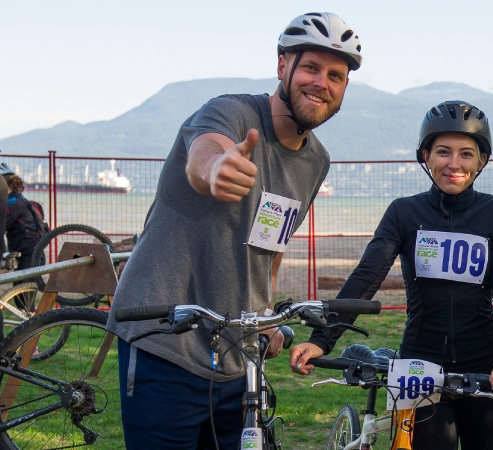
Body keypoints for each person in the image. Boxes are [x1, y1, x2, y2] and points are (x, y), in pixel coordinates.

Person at [105, 12, 362, 449]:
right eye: (311, 68)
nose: (322, 82)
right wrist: (218, 167)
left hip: (237, 358)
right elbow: (205, 150)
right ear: (283, 67)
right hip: (165, 345)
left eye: (335, 75)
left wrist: (264, 317)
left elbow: (272, 243)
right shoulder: (231, 112)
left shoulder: (316, 161)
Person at [290, 100, 493, 449]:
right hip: (419, 363)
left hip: (485, 364)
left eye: (466, 154)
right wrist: (321, 339)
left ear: (482, 161)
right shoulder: (404, 212)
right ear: (426, 156)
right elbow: (367, 276)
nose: (454, 164)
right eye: (443, 152)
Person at [2, 164, 42, 276]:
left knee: (23, 291)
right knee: (18, 290)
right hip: (24, 251)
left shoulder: (14, 203)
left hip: (30, 254)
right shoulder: (14, 200)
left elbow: (2, 225)